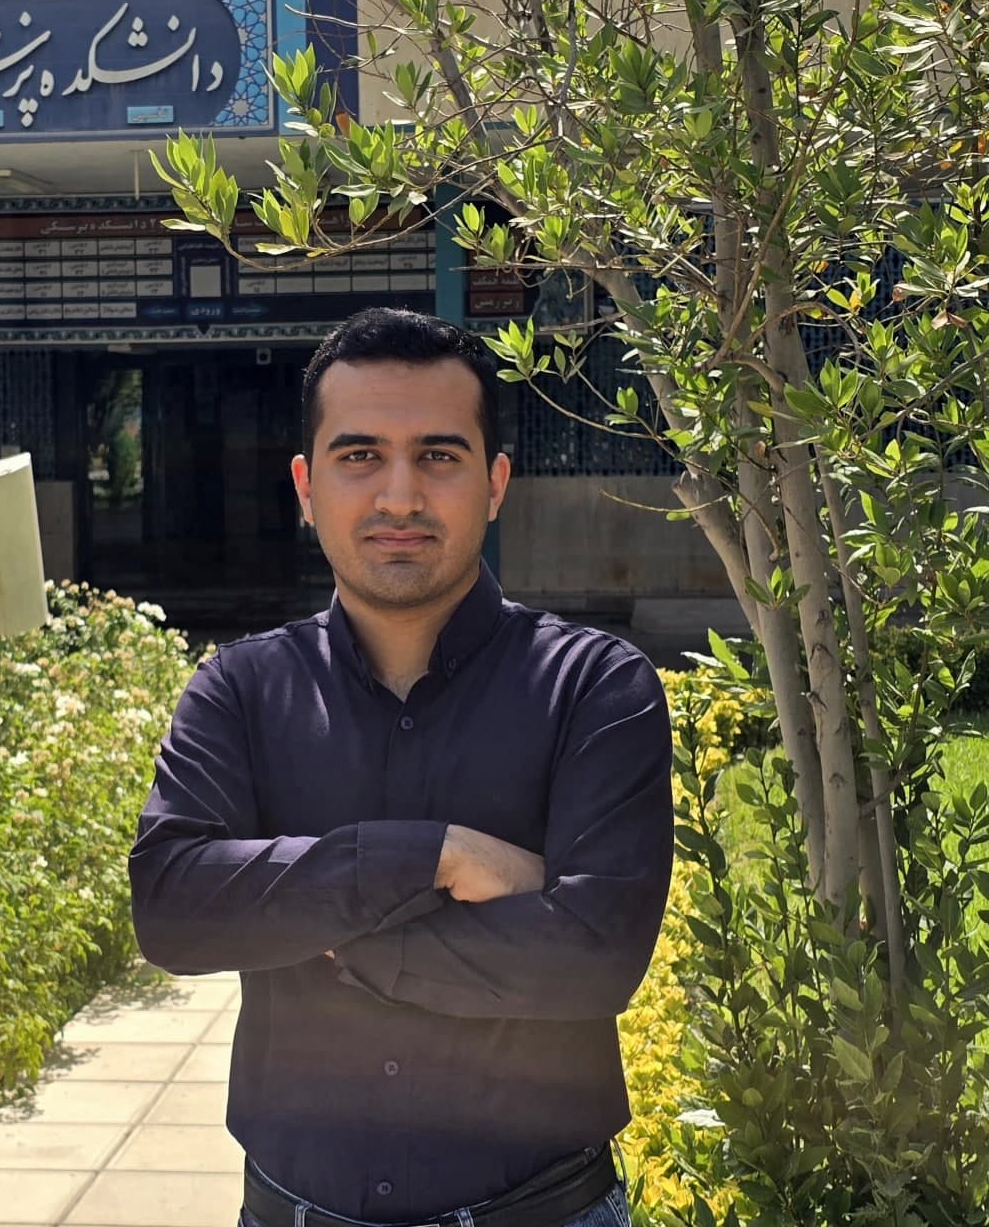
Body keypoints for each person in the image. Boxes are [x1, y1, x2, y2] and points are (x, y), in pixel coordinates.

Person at [129, 308, 674, 1227]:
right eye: (359, 456)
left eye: (438, 456)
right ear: (306, 486)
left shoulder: (593, 687)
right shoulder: (241, 691)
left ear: (495, 483)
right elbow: (174, 910)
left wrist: (320, 926)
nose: (398, 496)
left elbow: (596, 958)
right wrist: (433, 857)